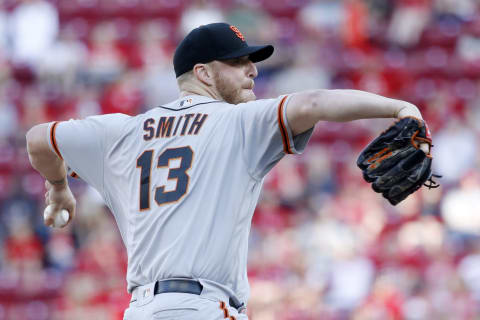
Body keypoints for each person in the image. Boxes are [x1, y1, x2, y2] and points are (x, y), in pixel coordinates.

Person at [26, 23, 428, 319]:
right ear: (203, 73)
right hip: (203, 307)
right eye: (238, 62)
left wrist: (59, 186)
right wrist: (398, 107)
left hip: (143, 310)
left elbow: (39, 139)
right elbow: (314, 102)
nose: (252, 70)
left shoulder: (121, 131)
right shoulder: (237, 122)